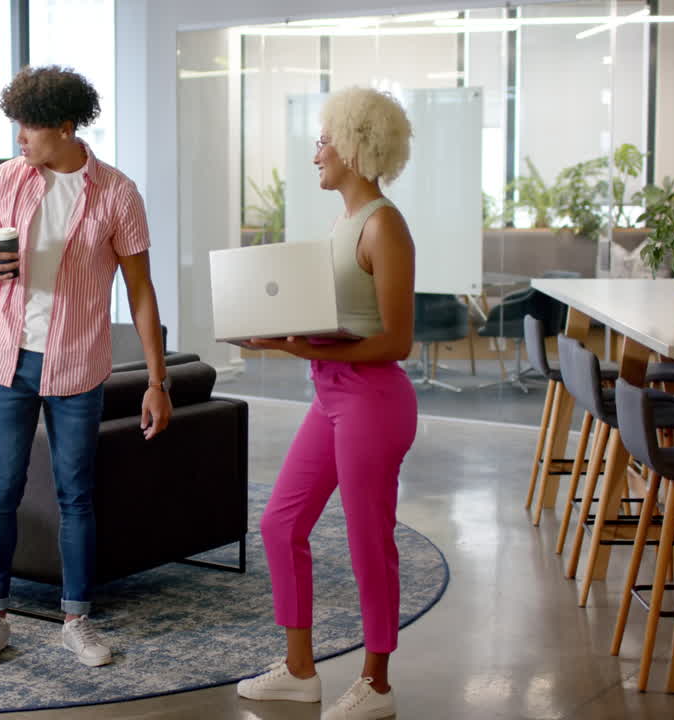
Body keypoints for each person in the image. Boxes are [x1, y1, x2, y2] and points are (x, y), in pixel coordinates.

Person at [0, 65, 172, 670]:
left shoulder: (117, 194)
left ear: (66, 126)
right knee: (1, 489)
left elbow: (140, 290)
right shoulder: (2, 180)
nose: (19, 137)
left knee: (76, 494)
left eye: (29, 126)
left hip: (78, 364)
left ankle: (77, 621)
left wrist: (157, 381)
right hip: (7, 358)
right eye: (16, 124)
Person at [235, 87, 418, 720]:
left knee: (369, 541)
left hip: (373, 401)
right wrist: (281, 334)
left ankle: (377, 685)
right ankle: (298, 671)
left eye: (322, 141)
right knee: (280, 524)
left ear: (354, 146)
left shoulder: (384, 225)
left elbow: (396, 341)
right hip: (332, 393)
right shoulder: (343, 224)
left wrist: (297, 348)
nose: (316, 154)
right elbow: (341, 323)